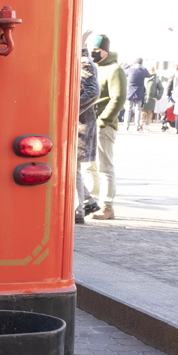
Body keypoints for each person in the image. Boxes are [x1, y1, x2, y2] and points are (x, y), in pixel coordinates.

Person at [85, 34, 124, 220]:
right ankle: (91, 202)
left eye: (96, 50)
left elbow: (118, 98)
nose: (93, 53)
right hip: (88, 123)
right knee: (89, 165)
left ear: (105, 51)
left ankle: (107, 205)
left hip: (102, 125)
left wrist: (104, 120)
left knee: (105, 166)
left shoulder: (115, 69)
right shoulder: (93, 67)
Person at [75, 48, 100, 224]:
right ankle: (86, 202)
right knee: (72, 167)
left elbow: (93, 92)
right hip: (81, 122)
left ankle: (79, 210)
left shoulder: (84, 61)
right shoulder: (83, 60)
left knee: (72, 168)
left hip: (80, 122)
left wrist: (72, 110)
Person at [123, 57, 151, 131]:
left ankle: (126, 126)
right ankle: (136, 127)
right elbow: (149, 75)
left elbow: (123, 71)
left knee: (128, 110)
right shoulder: (143, 71)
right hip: (139, 92)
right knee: (138, 110)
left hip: (130, 92)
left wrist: (129, 65)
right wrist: (143, 67)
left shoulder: (130, 70)